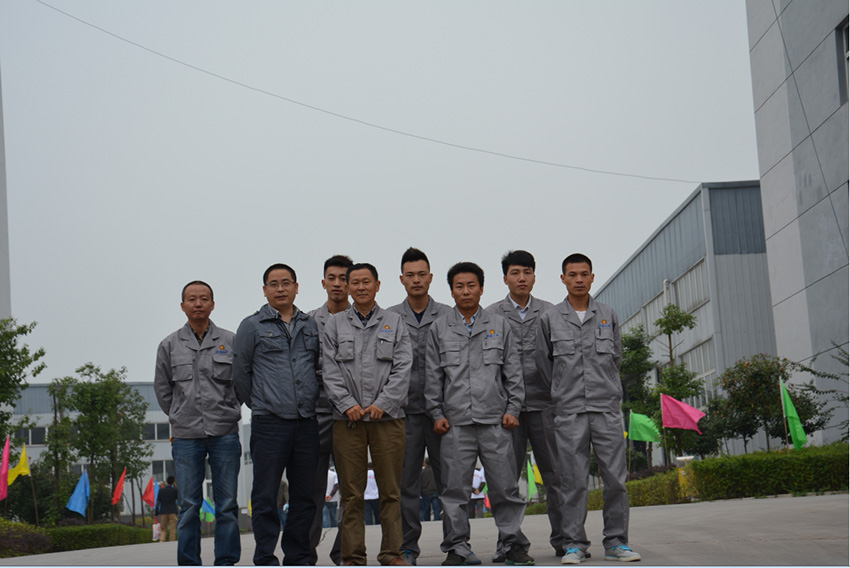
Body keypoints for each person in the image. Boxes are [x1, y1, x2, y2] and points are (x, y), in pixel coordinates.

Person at [425, 262, 534, 567]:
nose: (465, 291)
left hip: (495, 421)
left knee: (505, 487)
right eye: (459, 286)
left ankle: (512, 544)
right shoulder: (439, 328)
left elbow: (513, 372)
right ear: (451, 291)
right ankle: (458, 548)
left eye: (471, 285)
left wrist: (513, 409)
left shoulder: (499, 325)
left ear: (482, 288)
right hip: (455, 423)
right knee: (454, 491)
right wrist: (436, 413)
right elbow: (433, 377)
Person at [536, 253, 641, 564]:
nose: (579, 280)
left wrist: (604, 387)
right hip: (568, 411)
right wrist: (562, 391)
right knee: (572, 481)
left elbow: (616, 359)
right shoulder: (550, 318)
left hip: (606, 408)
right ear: (563, 279)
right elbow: (544, 364)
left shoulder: (607, 314)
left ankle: (616, 542)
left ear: (592, 277)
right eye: (572, 274)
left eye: (584, 274)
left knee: (615, 480)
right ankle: (574, 544)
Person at [323, 262, 413, 566]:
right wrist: (347, 403)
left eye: (366, 282)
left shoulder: (394, 322)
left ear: (377, 285)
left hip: (387, 419)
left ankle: (392, 553)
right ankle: (352, 556)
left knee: (391, 491)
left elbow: (403, 366)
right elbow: (329, 369)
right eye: (355, 282)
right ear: (348, 287)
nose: (361, 287)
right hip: (347, 421)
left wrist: (383, 403)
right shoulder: (335, 325)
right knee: (351, 494)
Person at [233, 263, 320, 566]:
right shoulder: (251, 326)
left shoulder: (310, 325)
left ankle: (298, 557)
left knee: (304, 496)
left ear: (296, 287)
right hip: (269, 423)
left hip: (306, 422)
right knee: (265, 495)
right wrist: (260, 403)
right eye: (274, 284)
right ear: (264, 290)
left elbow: (317, 368)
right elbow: (240, 373)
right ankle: (266, 557)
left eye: (286, 282)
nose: (280, 288)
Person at [154, 280, 242, 566]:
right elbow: (163, 389)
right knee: (189, 505)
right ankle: (189, 563)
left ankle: (226, 561)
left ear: (213, 304)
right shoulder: (169, 345)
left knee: (227, 505)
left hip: (224, 431)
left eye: (204, 299)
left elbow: (242, 383)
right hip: (186, 434)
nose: (198, 304)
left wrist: (230, 409)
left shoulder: (230, 341)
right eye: (192, 299)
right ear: (182, 306)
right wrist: (178, 414)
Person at [486, 250, 564, 562]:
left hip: (546, 405)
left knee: (556, 476)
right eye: (515, 273)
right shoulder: (491, 316)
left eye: (527, 272)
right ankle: (508, 543)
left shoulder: (551, 312)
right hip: (506, 412)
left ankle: (566, 540)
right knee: (505, 480)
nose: (522, 278)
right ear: (505, 278)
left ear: (534, 276)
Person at [388, 247, 453, 565]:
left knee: (450, 482)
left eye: (421, 274)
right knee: (406, 485)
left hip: (443, 414)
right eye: (410, 275)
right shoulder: (388, 318)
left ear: (431, 277)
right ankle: (407, 547)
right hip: (403, 414)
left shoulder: (449, 315)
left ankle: (456, 545)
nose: (416, 280)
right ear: (401, 279)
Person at [309, 255, 353, 565]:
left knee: (352, 491)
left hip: (351, 416)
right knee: (311, 491)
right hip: (316, 414)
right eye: (332, 278)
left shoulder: (362, 320)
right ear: (323, 282)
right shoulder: (308, 322)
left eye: (344, 278)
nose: (338, 284)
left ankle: (345, 553)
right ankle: (305, 553)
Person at [156, 476, 179, 543]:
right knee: (172, 528)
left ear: (166, 482)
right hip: (172, 511)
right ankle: (172, 541)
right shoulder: (175, 490)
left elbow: (158, 502)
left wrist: (156, 512)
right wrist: (175, 487)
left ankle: (162, 540)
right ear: (173, 482)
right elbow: (179, 498)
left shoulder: (161, 490)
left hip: (163, 512)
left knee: (163, 528)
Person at [419, 457, 439, 522]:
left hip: (425, 492)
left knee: (426, 509)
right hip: (435, 491)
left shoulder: (422, 472)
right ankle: (436, 519)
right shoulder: (435, 471)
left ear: (425, 463)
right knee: (436, 508)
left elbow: (420, 482)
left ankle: (426, 520)